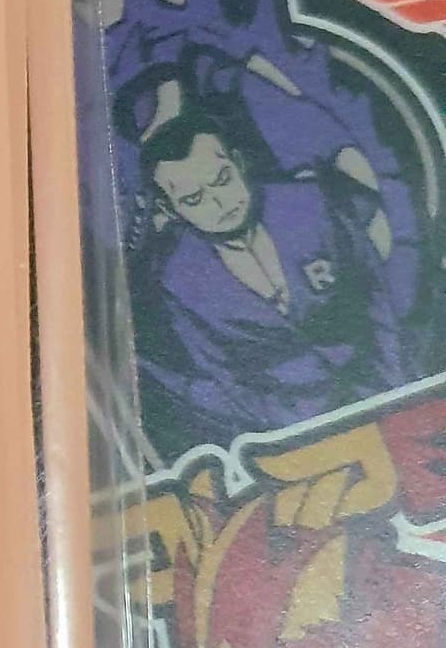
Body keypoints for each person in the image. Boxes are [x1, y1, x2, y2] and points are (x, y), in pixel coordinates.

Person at [137, 109, 410, 450]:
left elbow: (375, 297)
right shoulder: (176, 281)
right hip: (296, 431)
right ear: (170, 210)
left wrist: (393, 388)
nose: (220, 202)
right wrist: (296, 426)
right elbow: (225, 378)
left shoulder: (312, 203)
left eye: (223, 179)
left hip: (384, 391)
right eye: (194, 199)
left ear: (239, 163)